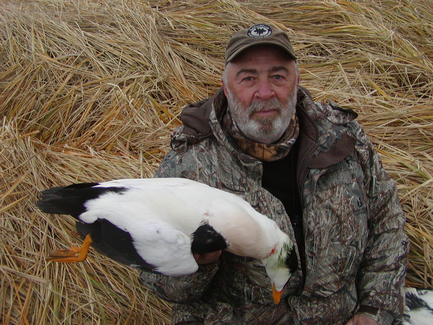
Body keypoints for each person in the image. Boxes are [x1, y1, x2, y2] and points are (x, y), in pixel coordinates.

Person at [140, 24, 409, 325]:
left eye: (278, 76)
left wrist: (375, 311)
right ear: (226, 87)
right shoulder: (189, 165)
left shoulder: (344, 140)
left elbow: (387, 224)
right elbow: (159, 283)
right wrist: (198, 263)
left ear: (296, 82)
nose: (265, 92)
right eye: (248, 78)